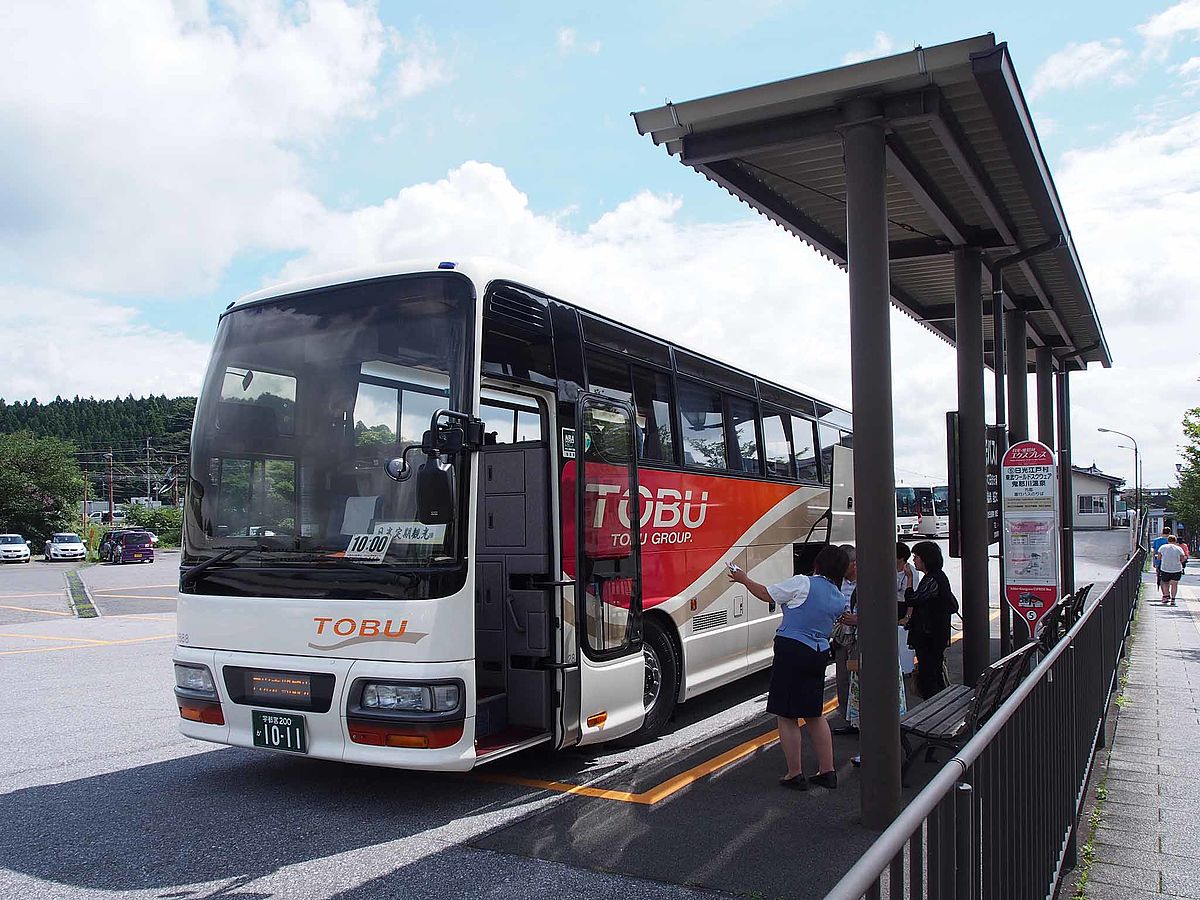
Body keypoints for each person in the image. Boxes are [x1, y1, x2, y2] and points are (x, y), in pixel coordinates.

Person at [729, 544, 849, 790]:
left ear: (818, 563)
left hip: (793, 650)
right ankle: (828, 771)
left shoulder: (803, 583)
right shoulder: (838, 596)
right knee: (814, 713)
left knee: (787, 713)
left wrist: (743, 579)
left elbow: (766, 594)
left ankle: (794, 773)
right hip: (819, 652)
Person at [904, 541, 957, 700]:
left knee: (929, 673)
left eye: (916, 557)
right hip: (934, 634)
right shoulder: (936, 577)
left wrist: (909, 579)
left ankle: (934, 707)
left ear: (926, 558)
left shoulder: (932, 579)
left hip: (929, 635)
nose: (914, 560)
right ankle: (937, 703)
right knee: (933, 671)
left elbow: (912, 599)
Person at [832, 545, 858, 734]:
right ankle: (849, 719)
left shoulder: (868, 581)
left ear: (854, 564)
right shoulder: (837, 582)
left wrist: (857, 620)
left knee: (859, 680)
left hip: (859, 639)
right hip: (842, 638)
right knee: (842, 680)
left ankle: (862, 721)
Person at [896, 541, 917, 676]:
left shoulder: (910, 572)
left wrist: (907, 617)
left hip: (905, 607)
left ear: (901, 558)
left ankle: (905, 669)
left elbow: (913, 598)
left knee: (903, 639)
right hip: (893, 606)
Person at [1157, 534, 1186, 606]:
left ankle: (1166, 597)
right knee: (1174, 584)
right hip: (1176, 569)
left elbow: (1159, 558)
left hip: (1165, 568)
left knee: (1165, 583)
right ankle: (1173, 599)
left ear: (1168, 540)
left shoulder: (1162, 547)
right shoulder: (1179, 548)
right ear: (1175, 541)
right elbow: (1182, 559)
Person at [1152, 527, 1173, 600]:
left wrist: (1154, 562)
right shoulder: (1171, 541)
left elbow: (1154, 552)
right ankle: (1168, 592)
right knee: (1169, 577)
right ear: (1169, 533)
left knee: (1160, 578)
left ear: (1162, 532)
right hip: (1169, 562)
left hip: (1159, 561)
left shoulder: (1156, 540)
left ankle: (1164, 594)